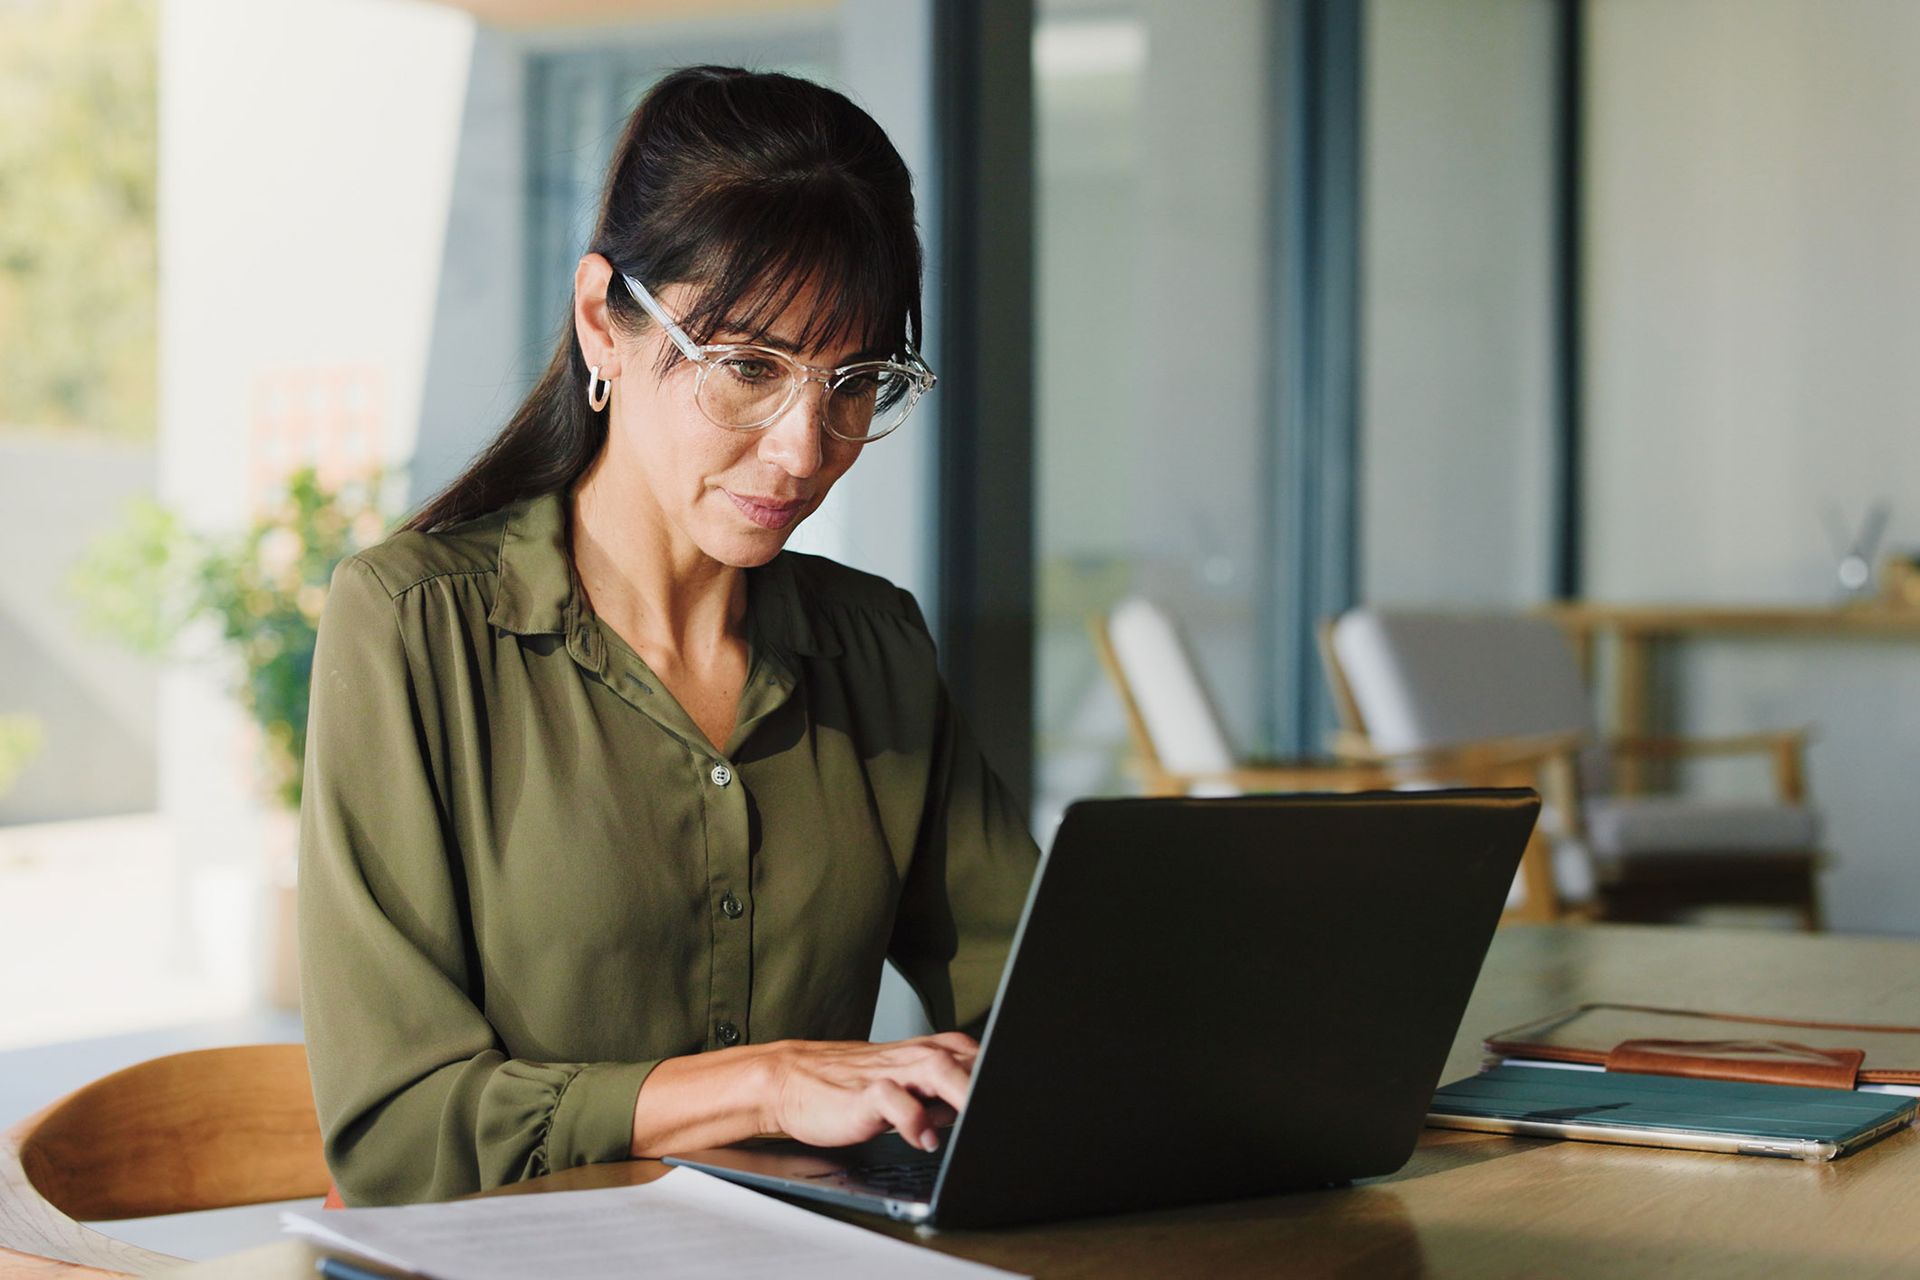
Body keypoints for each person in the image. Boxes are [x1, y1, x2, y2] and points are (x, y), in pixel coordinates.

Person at [298, 66, 1040, 1207]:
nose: (806, 447)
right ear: (605, 320)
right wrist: (764, 1083)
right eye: (749, 367)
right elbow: (400, 1131)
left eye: (857, 381)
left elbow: (1035, 1015)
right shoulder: (415, 626)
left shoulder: (873, 644)